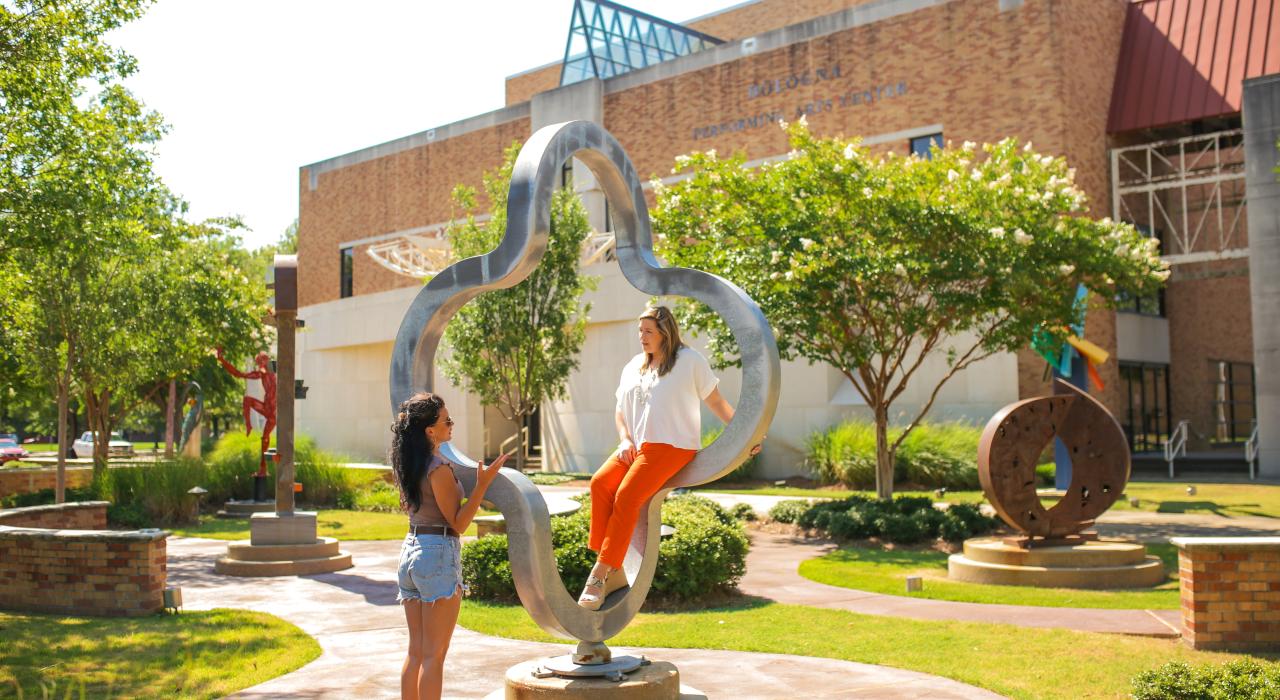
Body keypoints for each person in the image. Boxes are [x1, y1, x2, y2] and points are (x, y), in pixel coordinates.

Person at [579, 305, 761, 610]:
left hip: (671, 446)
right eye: (640, 331)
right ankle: (612, 566)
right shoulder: (633, 366)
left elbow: (716, 401)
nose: (642, 337)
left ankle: (599, 574)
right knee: (599, 484)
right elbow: (620, 410)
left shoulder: (689, 361)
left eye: (649, 331)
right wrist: (625, 439)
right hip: (635, 446)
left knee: (626, 496)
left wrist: (746, 435)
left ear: (665, 332)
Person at [392, 392, 508, 700]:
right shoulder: (438, 468)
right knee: (434, 654)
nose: (452, 424)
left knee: (416, 652)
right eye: (447, 420)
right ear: (430, 430)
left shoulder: (410, 463)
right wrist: (482, 485)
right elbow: (458, 523)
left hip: (411, 549)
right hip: (436, 554)